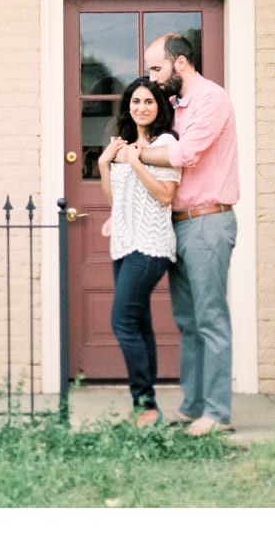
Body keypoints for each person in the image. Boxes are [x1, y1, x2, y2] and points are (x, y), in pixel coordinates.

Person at [137, 32, 240, 437]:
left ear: (180, 64)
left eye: (157, 68)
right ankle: (194, 405)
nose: (153, 77)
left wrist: (137, 154)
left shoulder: (211, 99)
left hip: (208, 221)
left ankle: (217, 413)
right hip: (178, 223)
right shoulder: (176, 107)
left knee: (211, 318)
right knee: (188, 321)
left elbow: (183, 155)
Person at [97, 76, 180, 428]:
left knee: (122, 321)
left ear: (158, 107)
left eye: (148, 101)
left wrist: (135, 163)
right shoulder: (124, 144)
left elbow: (165, 197)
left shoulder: (166, 144)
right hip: (124, 244)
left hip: (151, 245)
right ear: (127, 107)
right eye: (135, 102)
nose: (141, 107)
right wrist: (105, 164)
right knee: (139, 322)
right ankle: (146, 406)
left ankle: (145, 405)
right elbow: (116, 201)